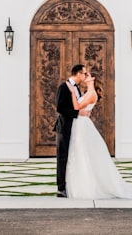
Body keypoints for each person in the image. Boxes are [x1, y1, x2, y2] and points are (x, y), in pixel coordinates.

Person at [65, 71, 132, 200]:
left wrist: (72, 93)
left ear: (92, 79)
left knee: (84, 153)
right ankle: (81, 184)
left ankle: (88, 187)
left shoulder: (92, 94)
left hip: (83, 125)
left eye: (88, 75)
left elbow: (77, 107)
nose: (85, 76)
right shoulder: (87, 93)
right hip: (80, 124)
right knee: (81, 153)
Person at [54, 64, 86, 197]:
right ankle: (61, 188)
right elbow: (59, 108)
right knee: (62, 157)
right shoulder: (64, 86)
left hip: (75, 127)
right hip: (64, 127)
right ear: (78, 74)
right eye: (84, 73)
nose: (85, 76)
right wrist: (76, 114)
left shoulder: (77, 88)